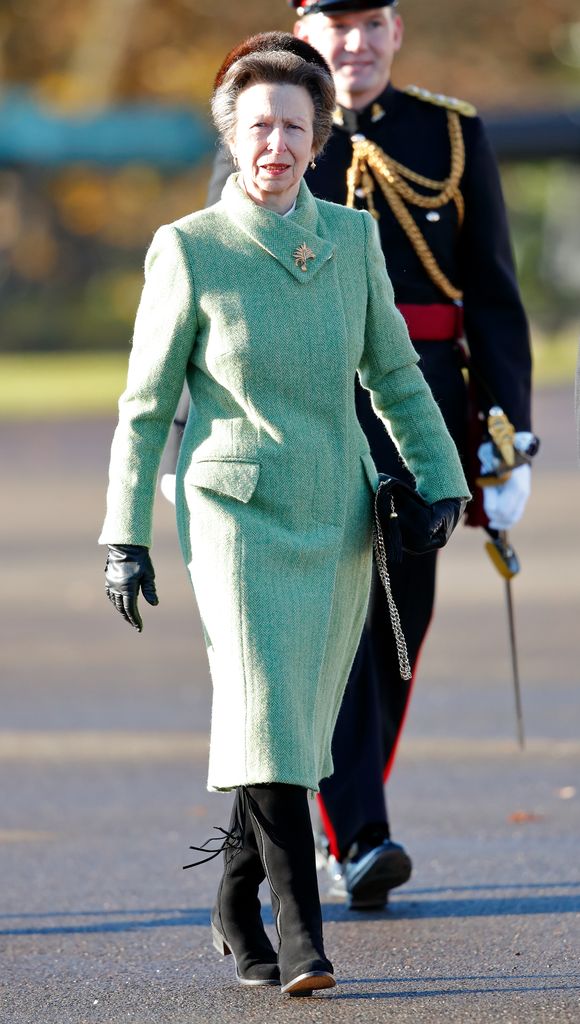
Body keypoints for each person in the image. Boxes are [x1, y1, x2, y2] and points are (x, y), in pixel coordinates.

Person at [100, 34, 469, 994]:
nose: (278, 143)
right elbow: (144, 411)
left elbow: (394, 371)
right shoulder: (187, 249)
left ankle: (231, 895)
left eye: (295, 127)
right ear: (234, 133)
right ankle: (299, 934)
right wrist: (123, 536)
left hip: (336, 515)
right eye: (259, 124)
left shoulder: (352, 241)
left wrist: (442, 482)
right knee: (267, 703)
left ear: (317, 138)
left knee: (294, 724)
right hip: (234, 517)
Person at [160, 1, 534, 914]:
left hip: (424, 408)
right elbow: (208, 300)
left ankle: (348, 821)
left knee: (401, 625)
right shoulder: (269, 126)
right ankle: (358, 832)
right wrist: (183, 433)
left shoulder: (452, 133)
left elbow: (491, 289)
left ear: (396, 34)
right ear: (307, 32)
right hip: (308, 419)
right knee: (319, 631)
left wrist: (506, 431)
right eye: (338, 27)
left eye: (373, 26)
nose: (356, 44)